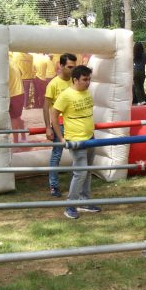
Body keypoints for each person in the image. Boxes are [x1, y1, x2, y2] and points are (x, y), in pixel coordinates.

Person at [52, 65, 101, 219]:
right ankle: (70, 206)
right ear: (75, 80)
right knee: (80, 173)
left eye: (89, 79)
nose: (88, 82)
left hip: (90, 138)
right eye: (85, 79)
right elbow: (54, 115)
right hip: (76, 140)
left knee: (88, 171)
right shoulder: (66, 95)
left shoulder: (87, 92)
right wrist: (61, 138)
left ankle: (84, 201)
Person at [44, 53, 77, 197]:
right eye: (70, 67)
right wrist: (48, 127)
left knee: (77, 154)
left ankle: (75, 184)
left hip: (74, 124)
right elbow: (45, 107)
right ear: (61, 65)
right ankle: (53, 186)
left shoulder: (75, 81)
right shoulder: (53, 84)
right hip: (59, 125)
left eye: (74, 67)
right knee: (57, 154)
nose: (72, 69)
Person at [8, 58, 25, 142]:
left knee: (13, 118)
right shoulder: (11, 60)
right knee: (17, 117)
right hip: (19, 92)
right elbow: (21, 73)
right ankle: (23, 137)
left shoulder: (3, 63)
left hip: (13, 94)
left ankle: (15, 142)